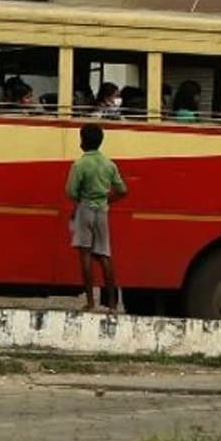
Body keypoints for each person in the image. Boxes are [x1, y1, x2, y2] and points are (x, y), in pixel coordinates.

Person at [65, 123, 128, 312]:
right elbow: (122, 190)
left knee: (85, 255)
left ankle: (90, 302)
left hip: (85, 209)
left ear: (83, 141)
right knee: (104, 255)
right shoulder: (109, 164)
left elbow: (70, 191)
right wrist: (106, 199)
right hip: (102, 210)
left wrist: (82, 200)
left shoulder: (80, 164)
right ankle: (112, 303)